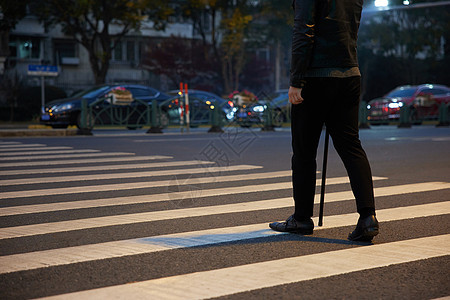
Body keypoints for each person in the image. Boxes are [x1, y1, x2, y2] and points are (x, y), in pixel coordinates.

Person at [269, 0, 379, 242]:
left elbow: (303, 31)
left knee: (304, 150)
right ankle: (367, 218)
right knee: (351, 146)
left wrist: (296, 80)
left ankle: (301, 218)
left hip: (316, 76)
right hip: (350, 72)